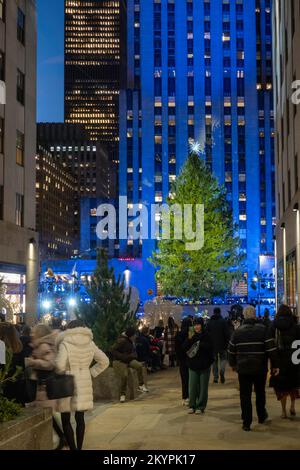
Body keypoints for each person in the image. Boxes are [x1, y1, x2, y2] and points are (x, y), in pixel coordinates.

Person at [56, 320, 109, 451]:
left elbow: (60, 365)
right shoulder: (90, 343)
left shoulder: (65, 343)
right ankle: (79, 448)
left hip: (67, 382)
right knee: (80, 418)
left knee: (66, 419)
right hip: (84, 381)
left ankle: (73, 448)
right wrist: (91, 371)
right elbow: (105, 361)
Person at [228, 305, 279, 431]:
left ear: (244, 316)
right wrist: (274, 365)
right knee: (260, 393)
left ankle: (247, 422)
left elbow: (231, 350)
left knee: (245, 395)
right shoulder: (263, 330)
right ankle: (261, 416)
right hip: (260, 368)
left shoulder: (237, 332)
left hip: (243, 369)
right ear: (255, 315)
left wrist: (233, 364)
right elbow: (271, 349)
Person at [27, 324, 66, 450]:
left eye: (34, 333)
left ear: (40, 334)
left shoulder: (44, 346)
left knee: (47, 413)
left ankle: (60, 438)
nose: (31, 335)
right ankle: (61, 438)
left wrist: (33, 362)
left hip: (45, 385)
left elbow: (50, 364)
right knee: (47, 414)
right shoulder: (39, 345)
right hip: (42, 384)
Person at [268, 305, 300, 419]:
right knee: (293, 384)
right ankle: (292, 406)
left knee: (281, 387)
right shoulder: (296, 327)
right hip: (294, 360)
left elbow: (270, 345)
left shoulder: (274, 327)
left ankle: (283, 411)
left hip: (278, 362)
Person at [183, 317, 214, 414]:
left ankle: (201, 406)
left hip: (204, 365)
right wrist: (189, 339)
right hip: (193, 364)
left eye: (198, 324)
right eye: (195, 325)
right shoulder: (191, 335)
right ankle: (192, 405)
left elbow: (211, 348)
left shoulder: (207, 335)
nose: (196, 327)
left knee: (203, 388)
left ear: (202, 325)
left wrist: (200, 344)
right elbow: (184, 347)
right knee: (192, 387)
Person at [111, 327, 149, 403]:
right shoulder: (122, 341)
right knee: (124, 375)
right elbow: (113, 350)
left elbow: (133, 351)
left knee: (139, 366)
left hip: (129, 359)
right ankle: (122, 394)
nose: (136, 336)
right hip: (121, 361)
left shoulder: (131, 341)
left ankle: (141, 385)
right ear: (130, 335)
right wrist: (122, 356)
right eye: (134, 335)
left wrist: (133, 356)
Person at [0, 322, 24, 404]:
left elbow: (2, 369)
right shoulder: (19, 346)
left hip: (5, 388)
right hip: (18, 387)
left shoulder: (2, 348)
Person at [206, 307, 230, 384]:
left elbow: (206, 334)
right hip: (223, 345)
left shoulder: (209, 322)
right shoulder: (223, 321)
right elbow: (227, 334)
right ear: (220, 312)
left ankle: (215, 378)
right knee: (223, 359)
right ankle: (222, 371)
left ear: (213, 312)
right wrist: (227, 343)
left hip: (213, 346)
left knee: (214, 362)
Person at [175, 317, 193, 406]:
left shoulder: (178, 334)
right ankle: (192, 397)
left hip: (182, 360)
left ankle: (185, 397)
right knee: (192, 379)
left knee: (184, 379)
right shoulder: (191, 334)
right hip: (191, 358)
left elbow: (177, 349)